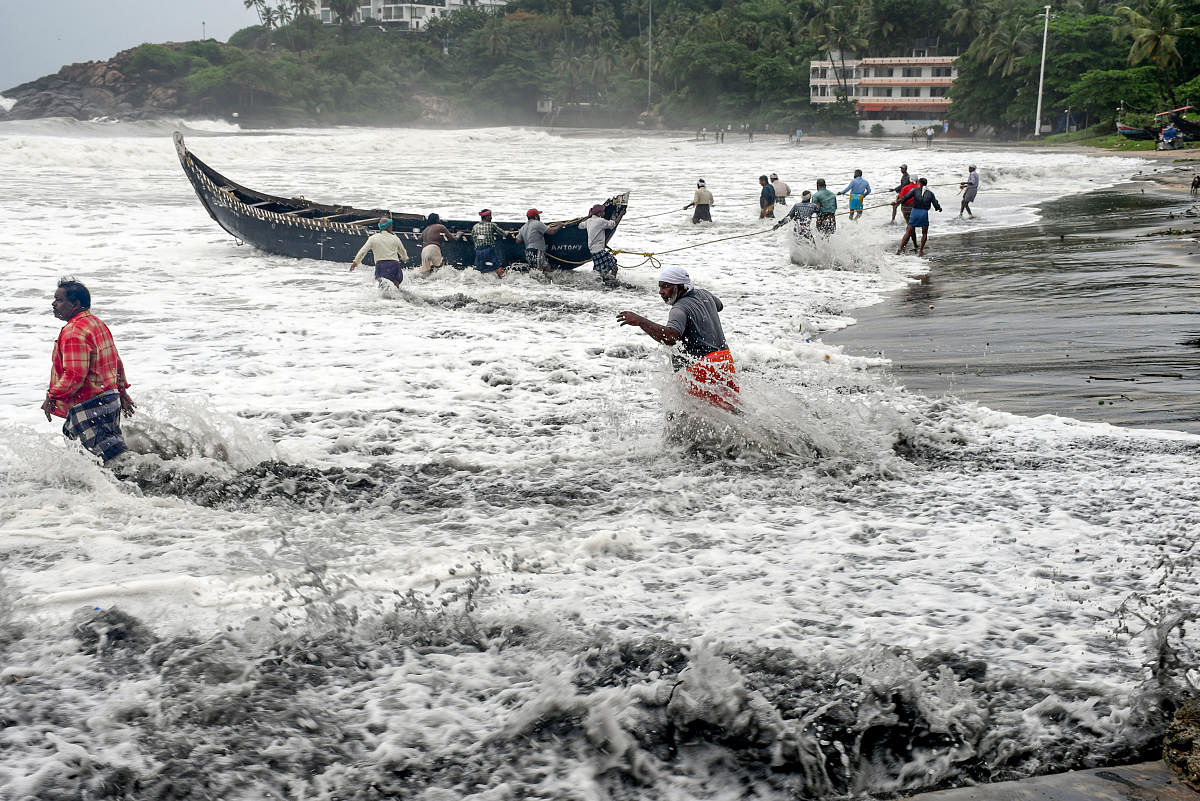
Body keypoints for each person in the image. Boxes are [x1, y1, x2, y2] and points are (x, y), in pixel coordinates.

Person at [615, 266, 738, 412]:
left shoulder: (679, 309)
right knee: (729, 413)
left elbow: (671, 336)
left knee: (685, 417)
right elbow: (719, 305)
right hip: (724, 362)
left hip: (702, 369)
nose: (661, 291)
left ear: (680, 287)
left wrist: (641, 321)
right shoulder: (705, 294)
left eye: (666, 287)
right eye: (660, 287)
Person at [42, 277, 136, 465]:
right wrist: (121, 390)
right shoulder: (96, 323)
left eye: (59, 300)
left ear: (76, 304)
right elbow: (115, 359)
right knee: (108, 455)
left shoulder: (74, 332)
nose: (53, 304)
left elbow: (75, 375)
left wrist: (52, 396)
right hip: (109, 400)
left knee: (110, 463)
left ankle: (146, 485)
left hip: (90, 404)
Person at [350, 218, 407, 289]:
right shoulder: (395, 238)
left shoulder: (373, 238)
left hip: (381, 266)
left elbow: (363, 251)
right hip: (394, 265)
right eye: (391, 225)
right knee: (396, 285)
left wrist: (356, 262)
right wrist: (405, 258)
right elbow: (403, 251)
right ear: (389, 227)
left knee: (382, 287)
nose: (392, 227)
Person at [896, 177, 942, 256]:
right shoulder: (930, 193)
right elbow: (935, 204)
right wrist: (939, 208)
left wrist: (897, 201)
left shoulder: (914, 190)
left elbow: (906, 197)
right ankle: (920, 251)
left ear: (919, 183)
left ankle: (900, 248)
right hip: (924, 213)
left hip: (914, 212)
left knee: (908, 231)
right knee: (924, 233)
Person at [579, 203, 624, 283]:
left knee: (600, 272)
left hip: (593, 252)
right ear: (599, 213)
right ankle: (612, 282)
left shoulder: (589, 221)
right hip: (599, 251)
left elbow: (580, 225)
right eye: (603, 211)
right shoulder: (601, 221)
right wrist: (621, 214)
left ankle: (602, 282)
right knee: (614, 266)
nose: (604, 213)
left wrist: (589, 216)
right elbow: (613, 224)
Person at [471, 209, 510, 277]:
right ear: (486, 217)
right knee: (498, 267)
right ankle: (503, 280)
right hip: (488, 250)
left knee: (479, 270)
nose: (491, 217)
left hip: (478, 251)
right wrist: (507, 232)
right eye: (490, 216)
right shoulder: (492, 225)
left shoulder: (475, 227)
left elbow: (473, 238)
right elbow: (503, 234)